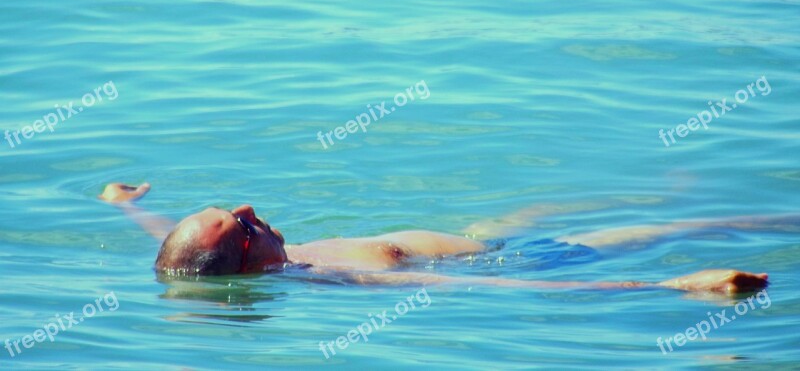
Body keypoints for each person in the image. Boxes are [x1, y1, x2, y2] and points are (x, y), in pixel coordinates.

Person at [98, 182, 777, 294]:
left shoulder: (243, 253)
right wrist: (670, 283)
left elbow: (176, 242)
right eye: (241, 221)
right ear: (246, 259)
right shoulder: (330, 280)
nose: (249, 206)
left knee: (555, 199)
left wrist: (123, 204)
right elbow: (475, 287)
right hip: (533, 261)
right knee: (679, 228)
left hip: (482, 236)